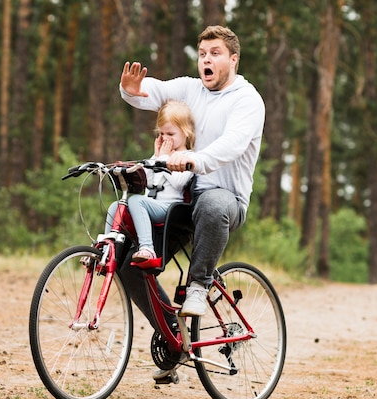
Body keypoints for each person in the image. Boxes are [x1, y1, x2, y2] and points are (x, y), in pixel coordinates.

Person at [117, 25, 265, 379]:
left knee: (212, 201)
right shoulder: (190, 89)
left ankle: (199, 285)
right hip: (182, 200)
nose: (206, 60)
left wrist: (195, 160)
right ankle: (172, 337)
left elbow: (232, 144)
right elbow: (155, 91)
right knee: (128, 267)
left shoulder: (247, 100)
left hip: (224, 200)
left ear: (233, 59)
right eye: (202, 54)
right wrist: (130, 91)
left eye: (214, 53)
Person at [104, 100, 195, 264]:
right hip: (151, 205)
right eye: (162, 134)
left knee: (136, 201)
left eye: (171, 134)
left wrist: (164, 159)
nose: (165, 139)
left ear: (186, 133)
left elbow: (179, 183)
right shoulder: (161, 155)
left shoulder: (189, 157)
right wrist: (155, 157)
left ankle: (147, 248)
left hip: (170, 208)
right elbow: (149, 182)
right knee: (116, 206)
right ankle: (106, 251)